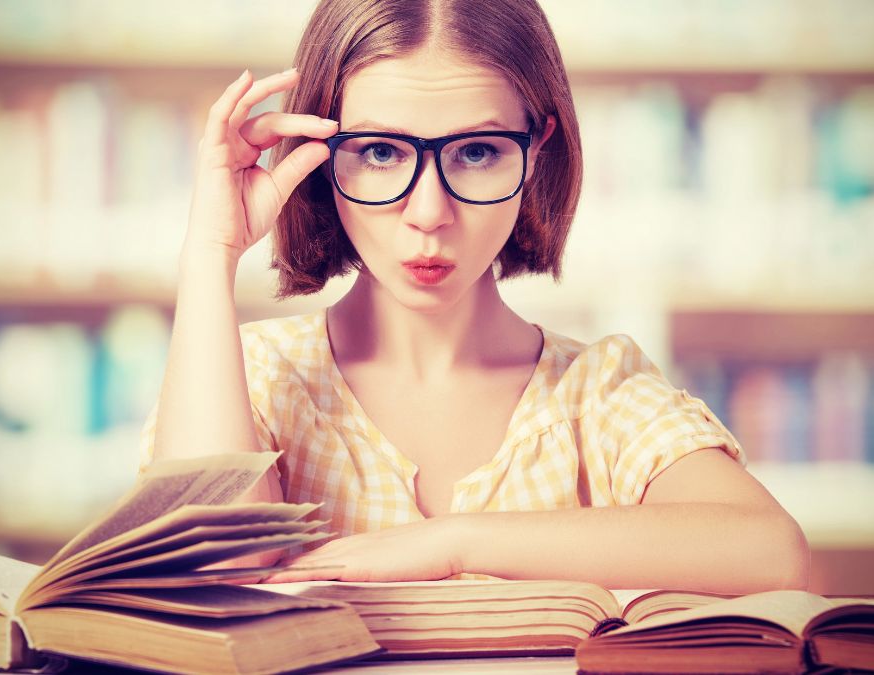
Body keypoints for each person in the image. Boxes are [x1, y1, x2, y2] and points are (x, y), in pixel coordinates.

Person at [140, 0, 809, 593]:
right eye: (378, 152)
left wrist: (452, 544)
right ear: (316, 152)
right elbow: (212, 582)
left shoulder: (596, 394)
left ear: (537, 150)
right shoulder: (254, 379)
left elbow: (774, 552)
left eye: (478, 152)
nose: (428, 212)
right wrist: (209, 253)